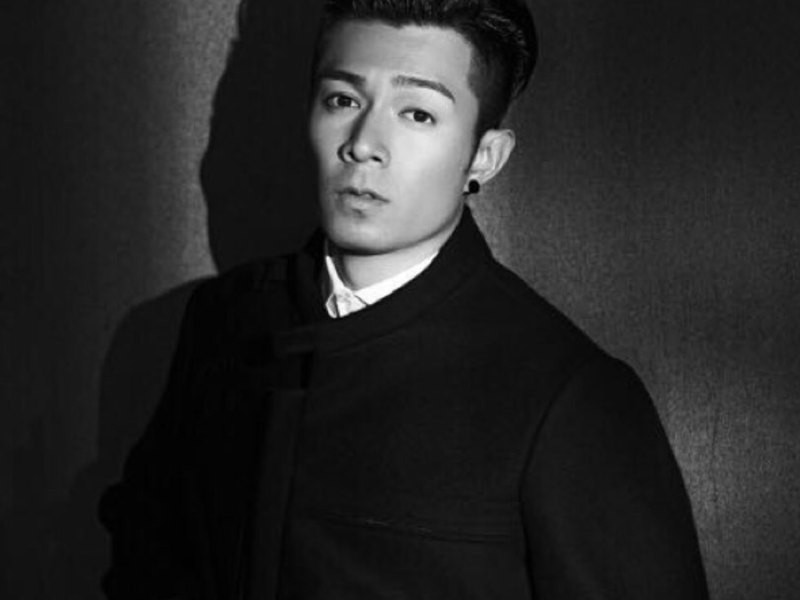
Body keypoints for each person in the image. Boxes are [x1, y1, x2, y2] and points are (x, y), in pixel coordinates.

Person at [100, 1, 710, 598]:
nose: (364, 143)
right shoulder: (225, 319)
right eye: (343, 100)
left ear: (484, 157)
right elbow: (143, 556)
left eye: (417, 113)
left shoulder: (568, 395)